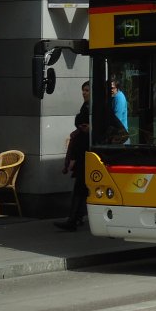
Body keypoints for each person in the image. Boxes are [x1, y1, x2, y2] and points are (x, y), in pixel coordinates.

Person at [56, 81, 90, 232]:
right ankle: (76, 218)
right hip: (83, 154)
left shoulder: (95, 107)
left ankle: (73, 219)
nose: (84, 93)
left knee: (80, 188)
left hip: (89, 154)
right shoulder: (86, 106)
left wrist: (90, 128)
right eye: (83, 90)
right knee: (81, 188)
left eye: (87, 90)